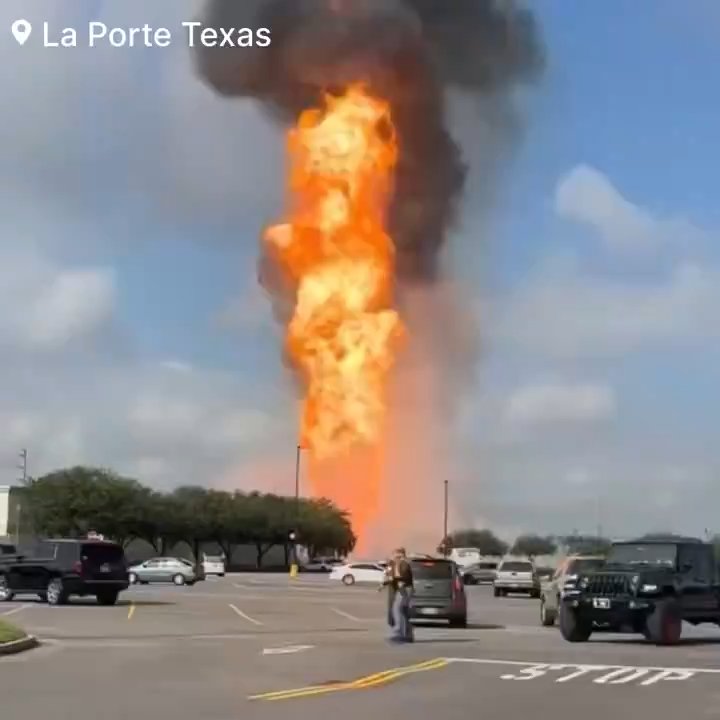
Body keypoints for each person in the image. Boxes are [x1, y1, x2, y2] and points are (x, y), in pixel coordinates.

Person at [387, 548, 414, 643]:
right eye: (394, 555)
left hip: (405, 589)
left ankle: (398, 631)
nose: (395, 557)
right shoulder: (395, 564)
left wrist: (395, 570)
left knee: (397, 609)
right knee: (403, 611)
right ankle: (408, 634)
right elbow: (391, 576)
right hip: (401, 589)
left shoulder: (404, 564)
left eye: (397, 556)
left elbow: (402, 576)